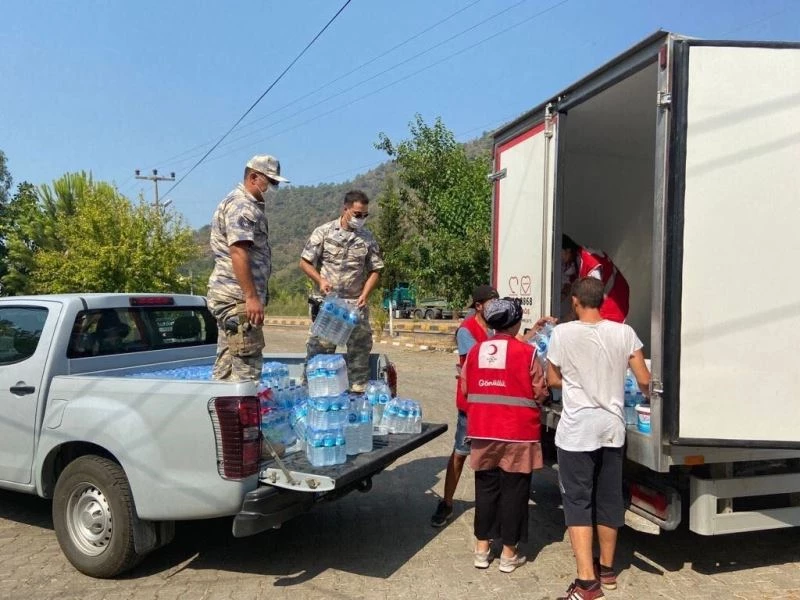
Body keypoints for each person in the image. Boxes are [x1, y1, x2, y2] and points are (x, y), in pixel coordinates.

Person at [546, 277, 650, 600]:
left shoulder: (562, 333)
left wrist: (578, 383)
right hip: (612, 428)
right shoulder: (624, 332)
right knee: (608, 500)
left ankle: (586, 583)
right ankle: (607, 570)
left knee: (578, 502)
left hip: (577, 431)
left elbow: (552, 379)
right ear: (603, 301)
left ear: (575, 301)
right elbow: (644, 380)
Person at [462, 297, 548, 572]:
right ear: (515, 323)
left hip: (483, 430)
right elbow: (540, 391)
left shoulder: (476, 352)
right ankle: (509, 555)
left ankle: (481, 550)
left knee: (485, 488)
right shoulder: (527, 353)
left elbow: (465, 387)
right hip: (518, 433)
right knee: (514, 491)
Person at [207, 154, 288, 381]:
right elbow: (239, 251)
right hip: (237, 299)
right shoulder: (242, 206)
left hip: (231, 298)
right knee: (247, 372)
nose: (273, 187)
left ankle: (217, 412)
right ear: (253, 177)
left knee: (227, 366)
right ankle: (241, 416)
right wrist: (251, 297)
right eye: (271, 182)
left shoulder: (242, 204)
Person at [299, 190, 383, 393]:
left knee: (359, 355)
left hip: (356, 306)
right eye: (357, 214)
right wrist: (320, 280)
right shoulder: (324, 232)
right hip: (330, 306)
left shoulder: (367, 238)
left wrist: (365, 294)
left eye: (365, 215)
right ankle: (315, 396)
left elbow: (376, 270)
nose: (361, 219)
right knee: (320, 357)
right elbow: (305, 262)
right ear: (345, 210)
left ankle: (357, 396)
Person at [430, 284, 498, 527]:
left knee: (490, 457)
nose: (495, 306)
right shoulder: (466, 330)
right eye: (491, 302)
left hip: (491, 403)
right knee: (460, 453)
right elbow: (480, 361)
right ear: (478, 306)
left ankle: (490, 505)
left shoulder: (494, 327)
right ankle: (446, 502)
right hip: (471, 404)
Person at [561, 234, 630, 323]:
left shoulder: (590, 264)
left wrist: (564, 321)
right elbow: (566, 286)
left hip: (613, 299)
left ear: (568, 250)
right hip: (598, 299)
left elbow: (588, 300)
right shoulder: (571, 260)